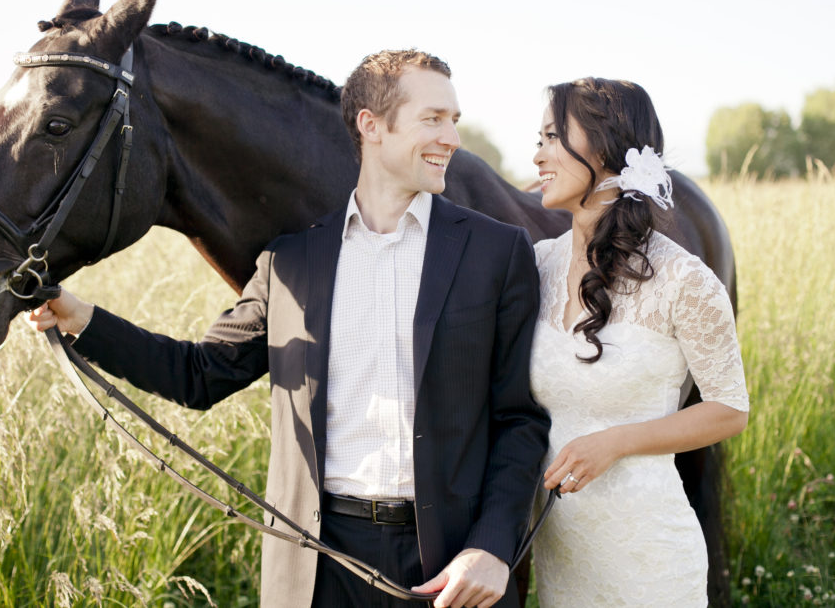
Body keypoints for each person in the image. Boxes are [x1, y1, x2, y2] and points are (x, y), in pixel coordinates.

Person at [28, 49, 550, 608]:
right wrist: (85, 319)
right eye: (433, 119)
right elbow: (200, 375)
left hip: (452, 570)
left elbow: (519, 418)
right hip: (315, 569)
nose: (451, 138)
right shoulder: (291, 262)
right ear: (370, 125)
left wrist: (492, 547)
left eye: (454, 120)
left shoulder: (497, 251)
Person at [528, 77, 749, 606]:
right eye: (539, 138)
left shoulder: (685, 280)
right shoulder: (538, 264)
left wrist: (616, 442)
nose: (537, 155)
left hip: (649, 563)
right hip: (561, 557)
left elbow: (729, 410)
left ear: (602, 149)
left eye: (553, 137)